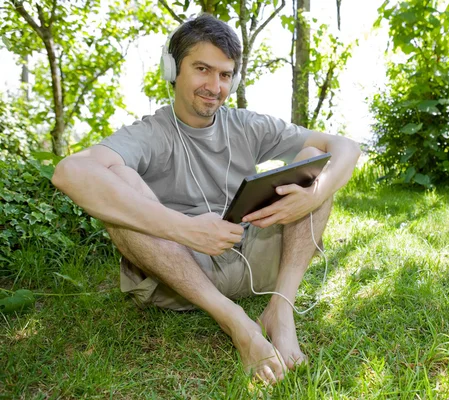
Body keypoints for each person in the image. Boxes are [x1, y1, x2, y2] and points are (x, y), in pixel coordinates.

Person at [51, 13, 360, 384]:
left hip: (255, 264)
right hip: (182, 275)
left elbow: (346, 145)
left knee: (315, 161)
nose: (214, 86)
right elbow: (69, 172)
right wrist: (187, 230)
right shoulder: (150, 133)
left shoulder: (247, 125)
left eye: (225, 74)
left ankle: (281, 309)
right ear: (173, 69)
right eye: (202, 69)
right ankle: (236, 323)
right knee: (117, 179)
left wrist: (314, 196)